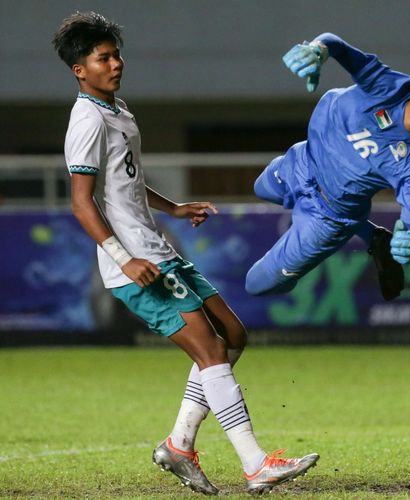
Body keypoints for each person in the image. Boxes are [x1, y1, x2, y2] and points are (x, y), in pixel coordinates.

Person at [53, 12, 318, 495]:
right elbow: (80, 201)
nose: (116, 63)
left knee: (233, 335)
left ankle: (178, 446)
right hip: (137, 263)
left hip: (156, 249)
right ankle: (256, 464)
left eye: (116, 54)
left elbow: (125, 182)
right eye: (103, 58)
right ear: (80, 70)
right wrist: (123, 258)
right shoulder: (87, 119)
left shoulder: (117, 109)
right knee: (212, 350)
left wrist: (173, 208)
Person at [244, 33, 410, 300]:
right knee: (260, 188)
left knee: (257, 284)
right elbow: (336, 45)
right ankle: (371, 235)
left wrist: (409, 247)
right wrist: (318, 50)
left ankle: (317, 257)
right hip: (301, 160)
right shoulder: (392, 87)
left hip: (327, 216)